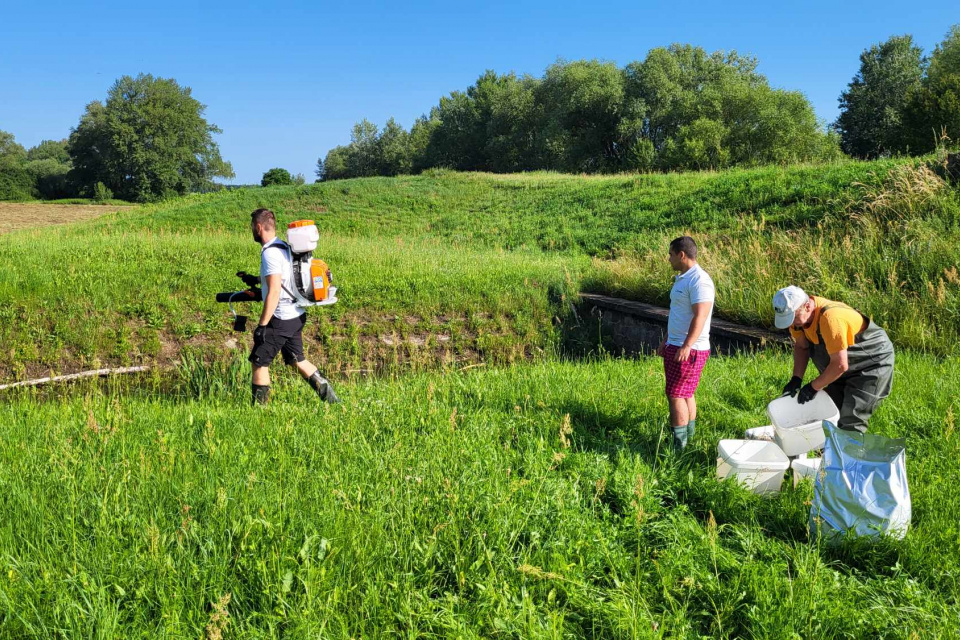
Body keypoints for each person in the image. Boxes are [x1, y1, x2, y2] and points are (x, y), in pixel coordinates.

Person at [248, 208, 340, 405]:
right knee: (296, 360)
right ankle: (333, 402)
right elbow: (283, 278)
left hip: (281, 317)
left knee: (259, 362)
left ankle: (257, 414)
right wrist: (256, 280)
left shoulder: (269, 254)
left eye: (252, 228)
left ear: (258, 227)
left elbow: (274, 291)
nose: (252, 232)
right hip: (296, 315)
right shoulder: (283, 247)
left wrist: (262, 325)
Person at [772, 286, 894, 433]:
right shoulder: (799, 321)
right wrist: (796, 379)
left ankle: (849, 454)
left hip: (871, 363)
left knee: (851, 418)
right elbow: (802, 347)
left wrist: (812, 387)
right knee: (830, 414)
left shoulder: (831, 319)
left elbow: (840, 365)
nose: (791, 324)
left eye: (793, 318)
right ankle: (827, 454)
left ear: (807, 305)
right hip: (841, 365)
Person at [657, 236, 715, 450]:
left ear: (682, 255)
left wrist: (687, 345)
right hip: (677, 344)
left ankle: (679, 447)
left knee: (676, 395)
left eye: (671, 254)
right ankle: (688, 439)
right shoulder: (683, 278)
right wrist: (666, 340)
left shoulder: (700, 281)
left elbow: (700, 316)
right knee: (686, 392)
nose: (669, 259)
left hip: (689, 349)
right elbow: (678, 314)